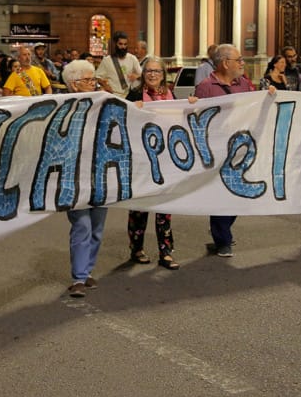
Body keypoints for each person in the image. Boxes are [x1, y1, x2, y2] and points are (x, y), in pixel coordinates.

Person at [194, 44, 275, 257]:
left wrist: (268, 96)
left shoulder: (244, 84)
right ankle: (223, 240)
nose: (242, 63)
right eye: (238, 60)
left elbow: (255, 105)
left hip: (241, 148)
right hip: (217, 150)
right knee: (221, 195)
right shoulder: (206, 87)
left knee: (238, 195)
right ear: (225, 63)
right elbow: (197, 118)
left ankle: (222, 231)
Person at [128, 57, 196, 269]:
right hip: (142, 159)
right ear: (143, 74)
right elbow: (123, 120)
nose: (152, 74)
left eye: (156, 71)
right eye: (148, 71)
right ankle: (136, 249)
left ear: (163, 74)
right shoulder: (135, 94)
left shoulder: (170, 95)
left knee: (164, 207)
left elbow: (180, 118)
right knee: (139, 207)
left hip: (166, 158)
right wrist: (132, 109)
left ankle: (165, 252)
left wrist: (191, 105)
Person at [63, 59, 110, 296]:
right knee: (82, 224)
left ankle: (88, 271)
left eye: (94, 79)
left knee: (97, 226)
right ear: (74, 84)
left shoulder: (102, 102)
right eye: (88, 80)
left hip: (99, 174)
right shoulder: (63, 107)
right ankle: (79, 276)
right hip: (75, 177)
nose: (93, 83)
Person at [96, 31, 142, 99]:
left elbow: (142, 75)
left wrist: (137, 76)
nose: (123, 47)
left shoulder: (132, 58)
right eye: (120, 44)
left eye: (125, 44)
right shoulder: (107, 60)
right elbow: (97, 77)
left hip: (129, 96)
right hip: (113, 95)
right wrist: (105, 86)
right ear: (115, 44)